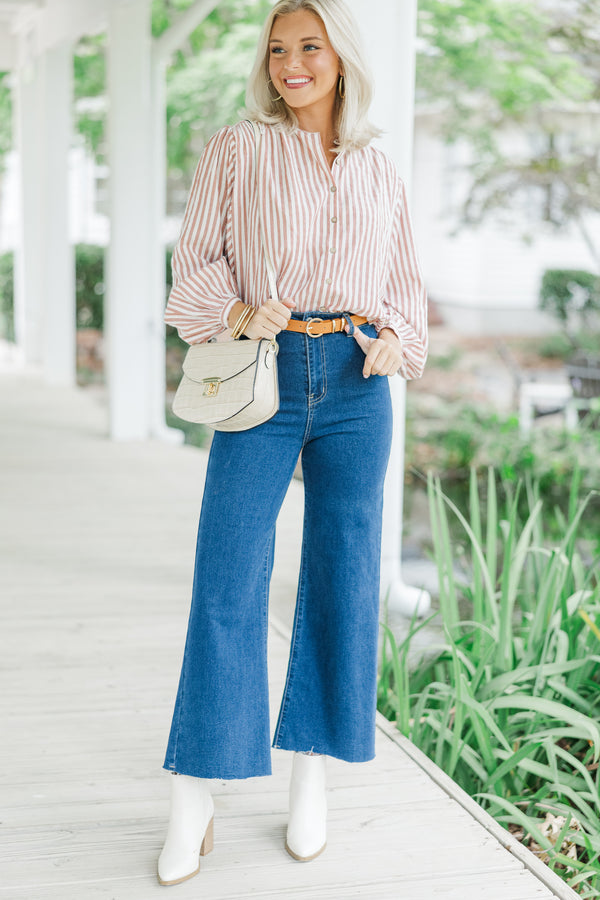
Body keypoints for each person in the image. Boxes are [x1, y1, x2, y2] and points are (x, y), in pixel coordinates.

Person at [158, 0, 428, 886]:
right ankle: (194, 794)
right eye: (278, 49)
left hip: (357, 383)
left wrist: (396, 339)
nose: (292, 63)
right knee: (227, 575)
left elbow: (402, 288)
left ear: (341, 58)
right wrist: (238, 309)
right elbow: (195, 264)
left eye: (309, 47)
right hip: (263, 374)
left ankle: (310, 777)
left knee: (343, 580)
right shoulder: (240, 148)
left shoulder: (380, 169)